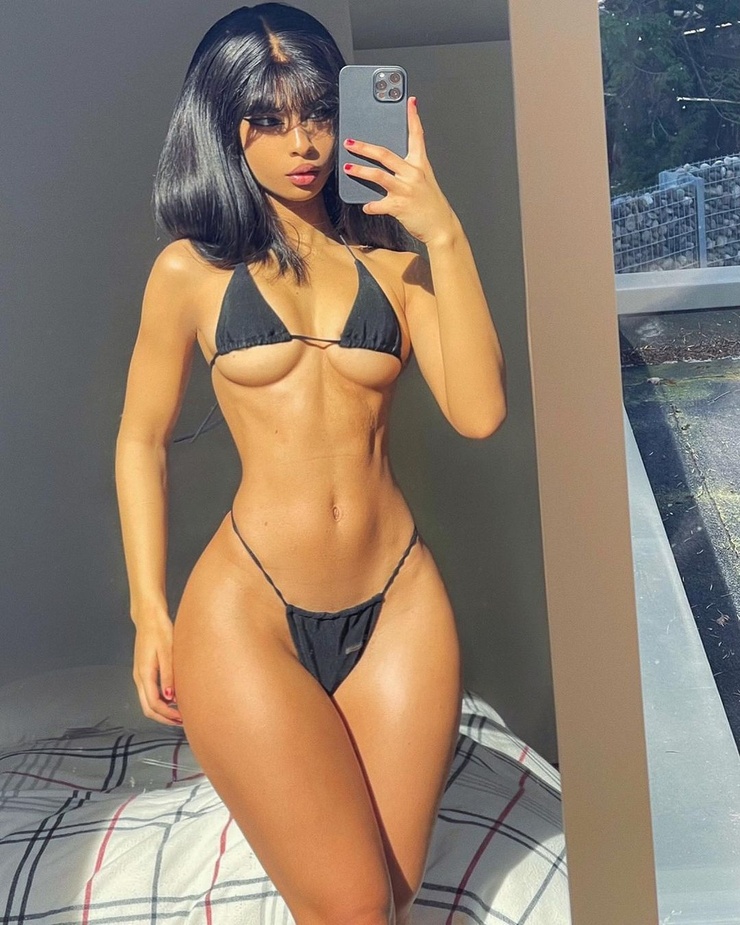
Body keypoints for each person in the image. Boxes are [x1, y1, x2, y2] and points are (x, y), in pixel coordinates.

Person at [115, 4, 506, 925]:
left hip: (400, 605)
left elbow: (481, 413)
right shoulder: (189, 273)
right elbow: (140, 438)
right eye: (271, 118)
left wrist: (444, 235)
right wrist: (147, 610)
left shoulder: (399, 267)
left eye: (320, 114)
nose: (304, 143)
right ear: (225, 126)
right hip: (248, 613)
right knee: (353, 905)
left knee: (387, 899)